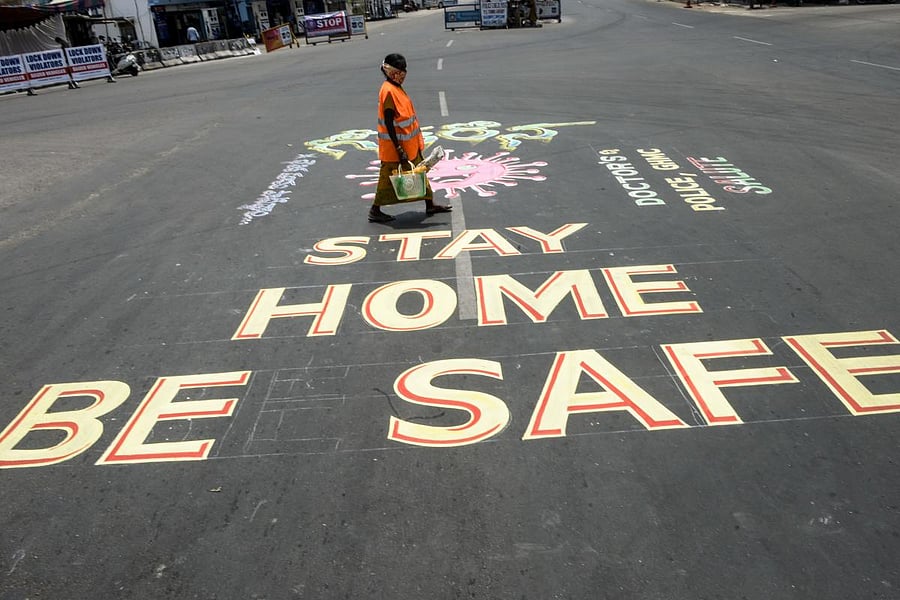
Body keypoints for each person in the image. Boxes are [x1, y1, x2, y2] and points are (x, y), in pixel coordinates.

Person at [369, 53, 451, 223]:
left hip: (410, 144)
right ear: (391, 72)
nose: (403, 74)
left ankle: (430, 204)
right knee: (386, 179)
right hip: (395, 148)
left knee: (420, 171)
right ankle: (375, 210)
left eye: (404, 70)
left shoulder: (396, 87)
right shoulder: (388, 91)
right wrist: (399, 148)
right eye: (400, 71)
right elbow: (389, 123)